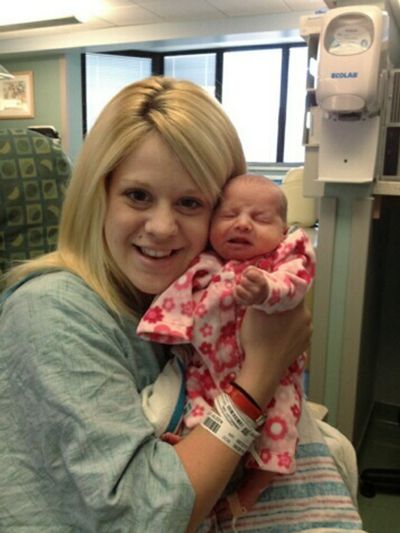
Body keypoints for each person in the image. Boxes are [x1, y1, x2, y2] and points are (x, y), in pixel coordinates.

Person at [0, 76, 362, 533]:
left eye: (191, 202)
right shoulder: (50, 313)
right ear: (99, 195)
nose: (162, 227)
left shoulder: (186, 298)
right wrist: (263, 369)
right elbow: (143, 517)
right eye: (137, 195)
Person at [137, 173, 316, 520]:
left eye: (260, 218)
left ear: (283, 231)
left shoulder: (282, 258)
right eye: (229, 215)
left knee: (276, 424)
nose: (243, 225)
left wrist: (267, 291)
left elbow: (295, 284)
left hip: (273, 375)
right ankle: (194, 452)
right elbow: (179, 297)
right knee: (198, 405)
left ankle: (256, 483)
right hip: (210, 366)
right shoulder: (204, 261)